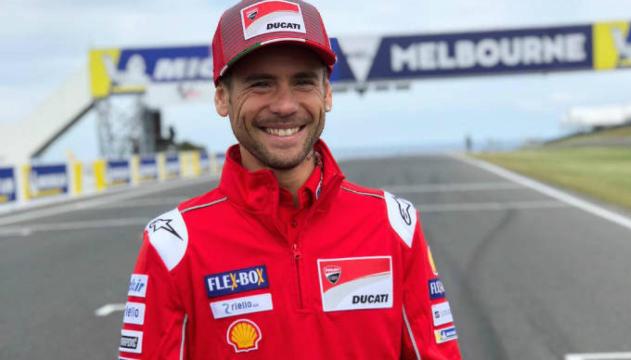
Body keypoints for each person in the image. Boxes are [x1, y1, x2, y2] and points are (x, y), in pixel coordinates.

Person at [118, 0, 462, 359]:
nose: (284, 105)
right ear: (222, 97)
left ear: (326, 93)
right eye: (261, 84)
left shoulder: (394, 224)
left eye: (303, 82)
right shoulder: (173, 244)